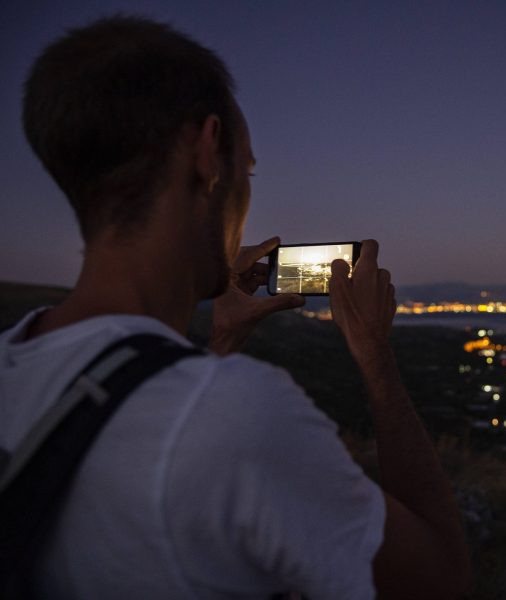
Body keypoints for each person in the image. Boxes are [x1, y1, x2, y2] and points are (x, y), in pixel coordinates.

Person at [0, 16, 470, 599]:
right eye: (246, 169)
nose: (246, 194)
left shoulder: (11, 363)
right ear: (205, 152)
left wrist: (218, 346)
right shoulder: (239, 418)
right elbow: (441, 580)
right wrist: (375, 355)